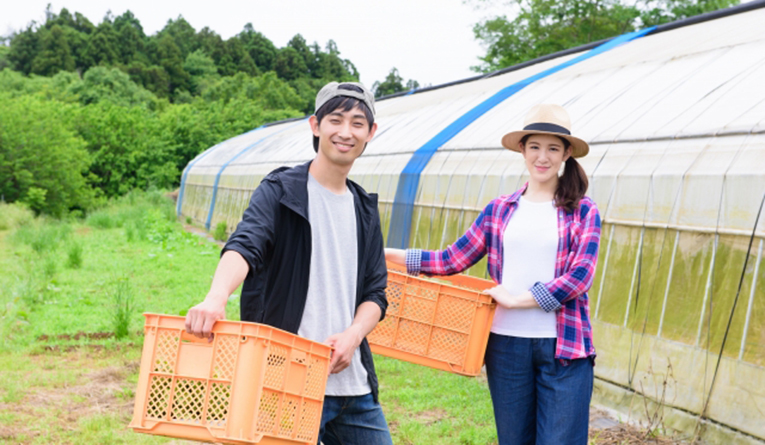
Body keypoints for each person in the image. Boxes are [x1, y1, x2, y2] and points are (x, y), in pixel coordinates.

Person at [185, 81, 393, 445]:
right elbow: (246, 244)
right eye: (337, 120)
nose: (346, 132)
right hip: (287, 378)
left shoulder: (364, 209)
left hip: (353, 388)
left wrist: (353, 335)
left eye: (358, 123)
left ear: (371, 133)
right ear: (316, 125)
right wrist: (216, 296)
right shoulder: (281, 190)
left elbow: (376, 293)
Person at [386, 104, 601, 445]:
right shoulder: (499, 210)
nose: (542, 157)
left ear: (566, 153)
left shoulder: (583, 210)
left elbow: (580, 276)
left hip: (565, 349)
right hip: (506, 346)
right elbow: (449, 259)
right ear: (522, 149)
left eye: (552, 148)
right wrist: (380, 254)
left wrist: (518, 300)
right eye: (534, 147)